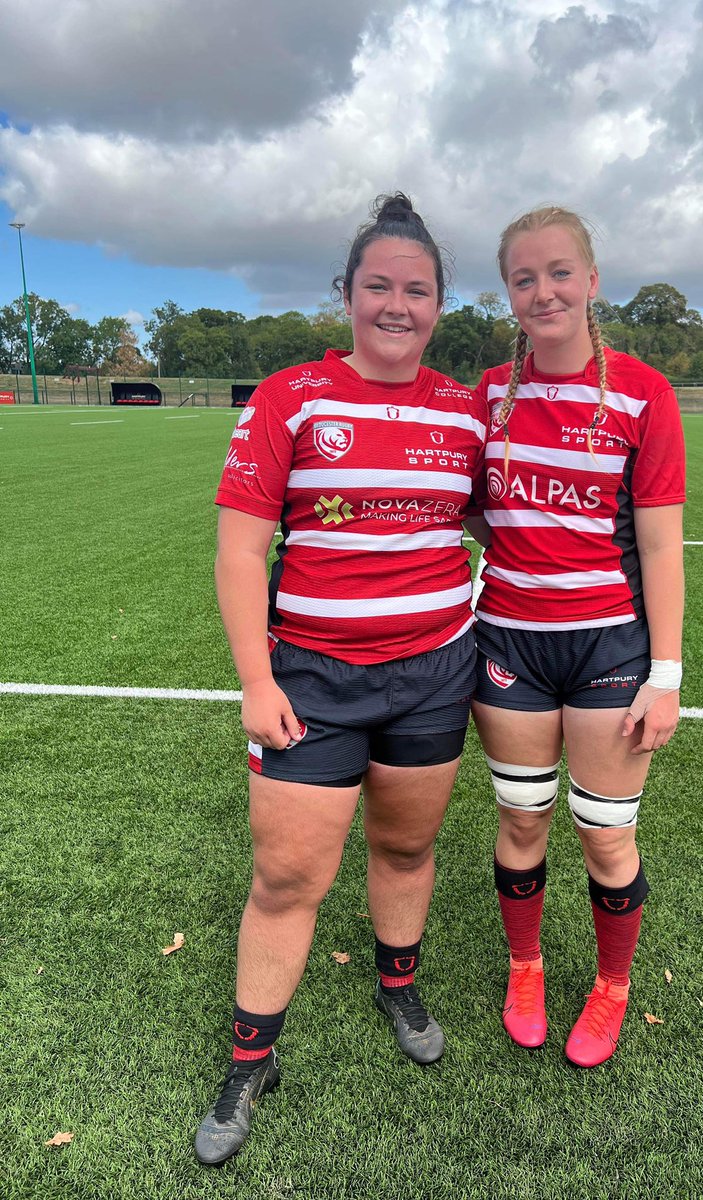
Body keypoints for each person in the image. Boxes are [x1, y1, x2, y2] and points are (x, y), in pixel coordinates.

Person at [195, 194, 487, 1165]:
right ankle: (251, 1060)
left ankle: (398, 986)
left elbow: (493, 520)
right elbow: (242, 552)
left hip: (435, 673)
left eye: (418, 290)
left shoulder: (465, 411)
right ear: (348, 295)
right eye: (378, 286)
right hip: (312, 681)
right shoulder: (290, 398)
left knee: (406, 848)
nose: (397, 305)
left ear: (439, 304)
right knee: (288, 877)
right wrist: (255, 679)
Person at [469, 206, 685, 1068]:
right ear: (509, 294)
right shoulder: (488, 394)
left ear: (592, 281)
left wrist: (665, 675)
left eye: (560, 272)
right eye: (524, 278)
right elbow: (473, 513)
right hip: (510, 646)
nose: (543, 291)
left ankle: (612, 986)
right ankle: (526, 967)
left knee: (604, 833)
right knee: (521, 821)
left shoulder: (643, 392)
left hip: (608, 651)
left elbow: (661, 544)